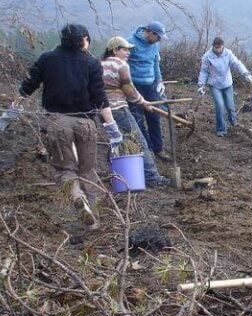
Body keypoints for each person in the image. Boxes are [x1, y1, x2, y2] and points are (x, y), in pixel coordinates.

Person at [16, 24, 122, 229]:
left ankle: (77, 197)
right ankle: (94, 219)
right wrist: (111, 126)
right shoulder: (91, 63)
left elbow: (28, 85)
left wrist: (13, 107)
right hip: (85, 123)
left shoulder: (47, 59)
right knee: (88, 170)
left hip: (58, 122)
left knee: (65, 169)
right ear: (84, 39)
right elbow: (100, 98)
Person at [101, 37, 169, 187]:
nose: (128, 53)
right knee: (139, 141)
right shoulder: (120, 65)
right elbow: (129, 91)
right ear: (115, 50)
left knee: (117, 142)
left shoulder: (100, 64)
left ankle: (118, 175)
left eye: (129, 50)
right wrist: (143, 102)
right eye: (124, 49)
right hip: (119, 109)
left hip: (103, 111)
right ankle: (152, 177)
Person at [127, 21, 169, 161]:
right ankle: (147, 149)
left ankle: (158, 149)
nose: (159, 40)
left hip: (150, 86)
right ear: (150, 33)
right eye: (157, 37)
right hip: (134, 87)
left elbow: (156, 64)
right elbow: (123, 65)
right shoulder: (130, 43)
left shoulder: (155, 46)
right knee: (138, 119)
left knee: (154, 116)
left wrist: (159, 81)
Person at [197, 37, 252, 137]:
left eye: (220, 47)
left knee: (230, 105)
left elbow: (237, 63)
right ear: (213, 46)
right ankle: (221, 129)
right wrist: (201, 84)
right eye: (216, 47)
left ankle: (233, 121)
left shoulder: (228, 53)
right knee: (219, 105)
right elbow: (204, 71)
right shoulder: (207, 56)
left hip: (227, 83)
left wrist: (246, 74)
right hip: (214, 84)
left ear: (223, 46)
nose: (218, 50)